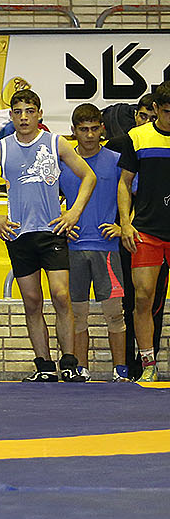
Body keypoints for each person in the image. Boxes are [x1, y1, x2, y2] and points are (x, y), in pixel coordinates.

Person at [0, 88, 95, 382]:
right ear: (11, 117)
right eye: (18, 112)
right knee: (32, 301)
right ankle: (44, 366)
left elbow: (89, 176)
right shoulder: (1, 148)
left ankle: (69, 363)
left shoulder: (55, 142)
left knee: (61, 295)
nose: (24, 117)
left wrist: (73, 213)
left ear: (40, 114)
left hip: (52, 231)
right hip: (19, 234)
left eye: (29, 111)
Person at [61, 103, 129, 383]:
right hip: (74, 249)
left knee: (115, 315)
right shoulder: (63, 162)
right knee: (78, 316)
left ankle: (121, 371)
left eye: (94, 129)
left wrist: (124, 225)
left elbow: (134, 194)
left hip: (108, 249)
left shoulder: (116, 160)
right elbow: (47, 199)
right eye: (83, 129)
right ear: (73, 131)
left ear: (102, 128)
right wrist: (60, 225)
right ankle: (81, 369)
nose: (89, 135)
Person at [115, 83, 170, 383]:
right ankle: (148, 364)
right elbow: (124, 183)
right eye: (167, 111)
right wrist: (125, 223)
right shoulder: (137, 137)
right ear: (156, 109)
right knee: (143, 298)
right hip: (147, 231)